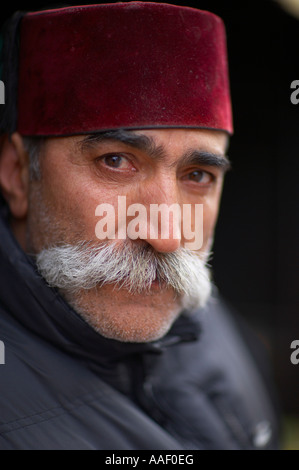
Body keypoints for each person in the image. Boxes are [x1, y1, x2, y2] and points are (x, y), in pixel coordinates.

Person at [0, 2, 280, 450]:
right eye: (115, 162)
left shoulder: (214, 325)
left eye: (197, 176)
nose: (167, 236)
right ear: (17, 173)